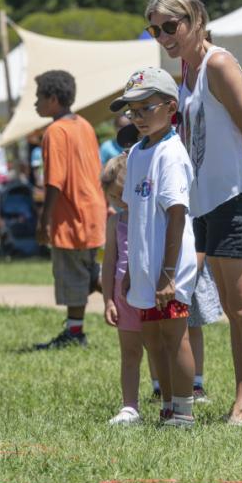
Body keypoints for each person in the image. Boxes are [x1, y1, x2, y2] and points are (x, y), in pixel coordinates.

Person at [147, 0, 242, 427]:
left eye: (171, 26)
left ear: (196, 20)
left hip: (236, 197)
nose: (164, 37)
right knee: (230, 307)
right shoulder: (186, 76)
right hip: (206, 202)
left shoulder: (218, 64)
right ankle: (241, 401)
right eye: (155, 30)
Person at [113, 67, 198, 427]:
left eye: (147, 108)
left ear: (170, 106)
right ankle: (165, 403)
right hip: (146, 265)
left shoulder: (171, 153)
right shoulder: (136, 154)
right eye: (133, 111)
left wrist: (167, 273)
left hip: (169, 266)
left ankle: (183, 410)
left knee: (174, 336)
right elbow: (133, 213)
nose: (139, 117)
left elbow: (176, 215)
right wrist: (133, 268)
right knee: (152, 339)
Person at [32, 70, 107, 350]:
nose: (35, 104)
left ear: (53, 99)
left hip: (71, 214)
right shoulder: (84, 124)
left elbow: (55, 180)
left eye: (38, 97)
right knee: (93, 274)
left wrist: (45, 220)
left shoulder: (55, 131)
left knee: (74, 276)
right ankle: (122, 315)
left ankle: (76, 333)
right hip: (95, 211)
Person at [101, 154, 151, 425]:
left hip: (150, 293)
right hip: (123, 297)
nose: (119, 203)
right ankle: (130, 405)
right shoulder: (114, 222)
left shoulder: (152, 216)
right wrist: (108, 299)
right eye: (112, 198)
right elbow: (109, 263)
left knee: (159, 348)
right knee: (130, 352)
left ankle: (166, 394)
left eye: (122, 195)